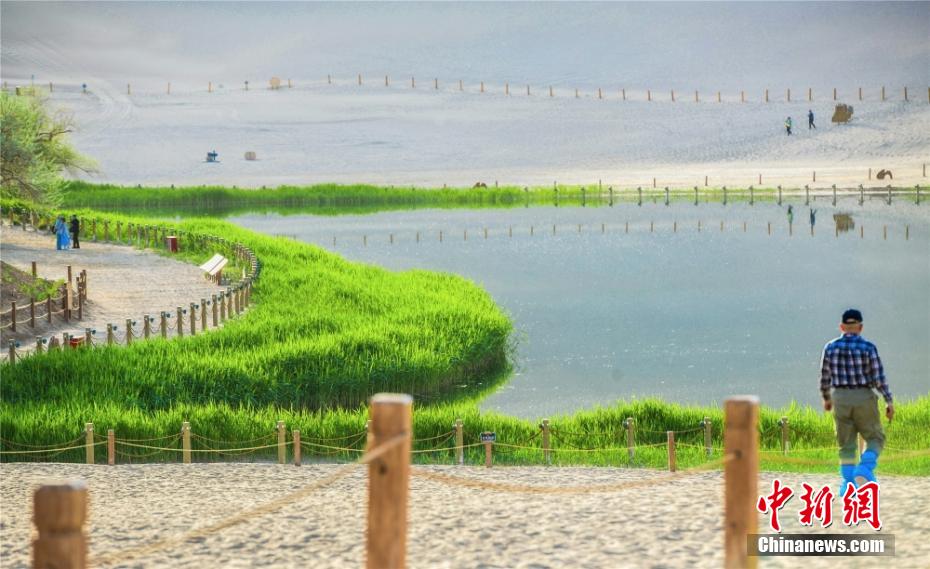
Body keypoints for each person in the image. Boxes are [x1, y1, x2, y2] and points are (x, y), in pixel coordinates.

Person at [820, 309, 894, 494]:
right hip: (863, 397)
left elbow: (825, 377)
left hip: (840, 398)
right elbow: (879, 378)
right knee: (875, 437)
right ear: (860, 327)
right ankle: (864, 469)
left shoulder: (830, 347)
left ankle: (848, 485)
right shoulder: (868, 348)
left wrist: (827, 398)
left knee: (846, 444)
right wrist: (888, 401)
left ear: (841, 327)